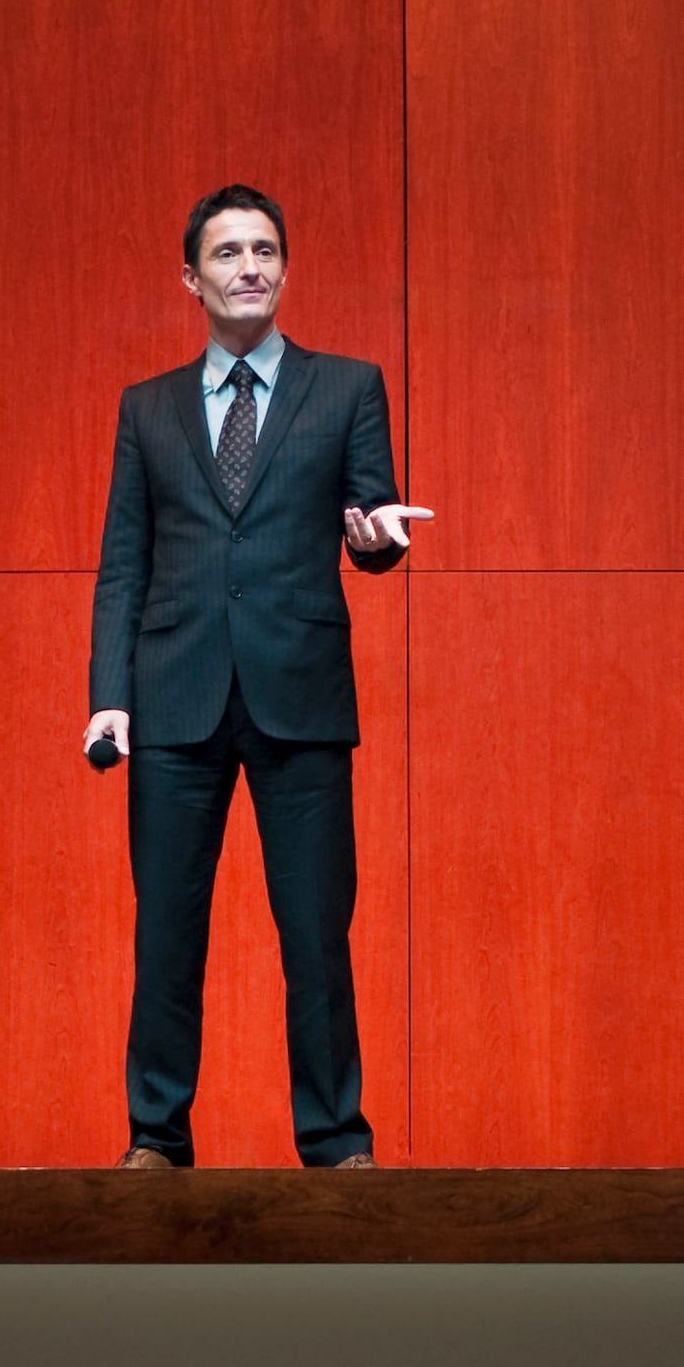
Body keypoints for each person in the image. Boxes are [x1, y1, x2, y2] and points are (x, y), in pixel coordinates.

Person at [83, 186, 426, 1171]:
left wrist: (372, 542)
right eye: (227, 252)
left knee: (316, 937)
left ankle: (335, 1143)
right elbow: (123, 562)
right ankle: (155, 1136)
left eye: (265, 249)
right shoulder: (144, 409)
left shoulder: (349, 387)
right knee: (166, 940)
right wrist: (110, 693)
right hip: (173, 699)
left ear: (284, 269)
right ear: (190, 279)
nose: (249, 265)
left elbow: (373, 523)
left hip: (300, 693)